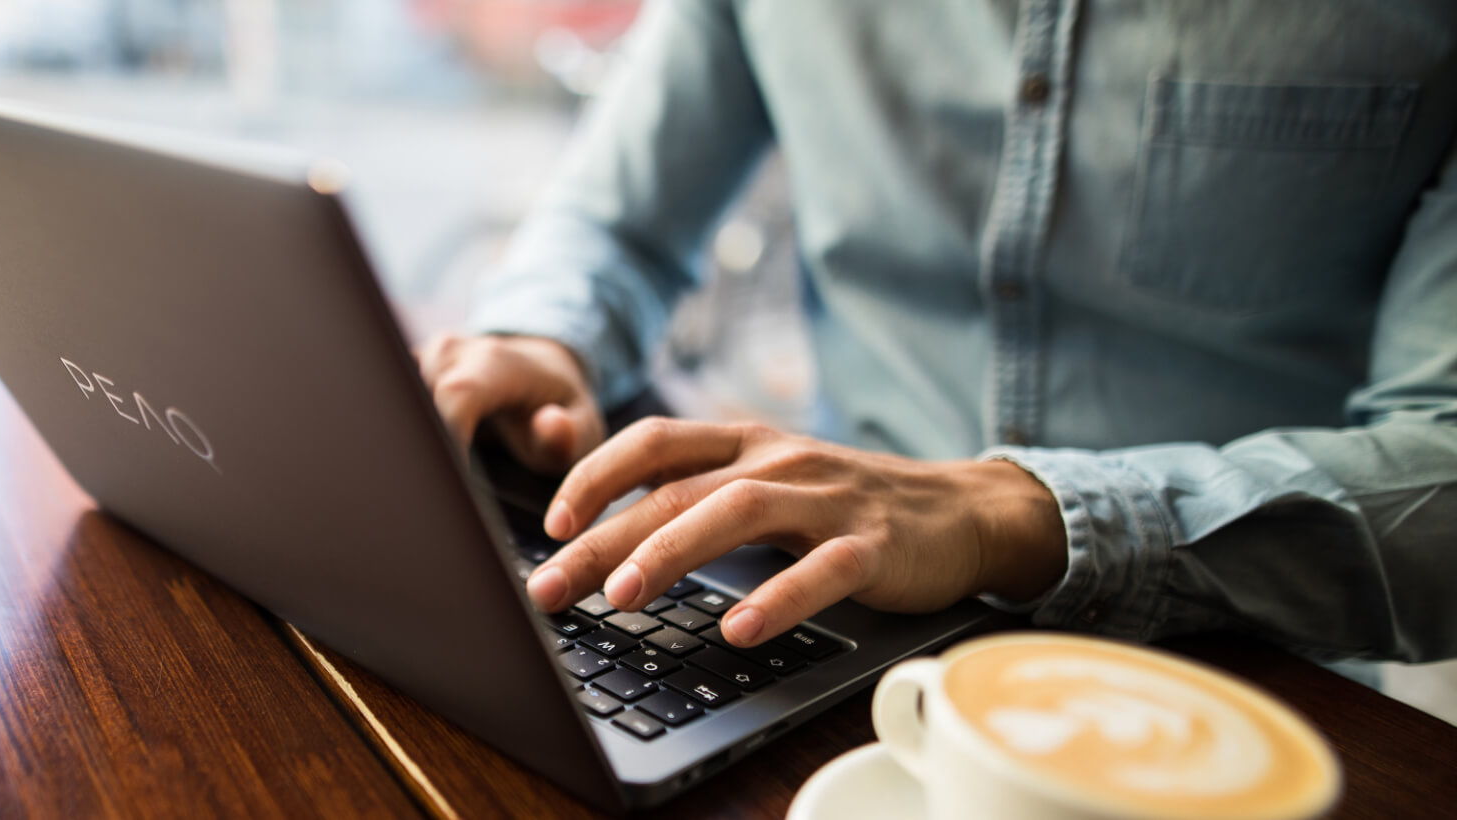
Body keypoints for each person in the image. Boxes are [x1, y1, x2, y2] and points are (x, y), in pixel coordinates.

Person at [417, 1, 1457, 664]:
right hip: (834, 635)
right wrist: (543, 336)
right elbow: (615, 219)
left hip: (1244, 667)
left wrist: (1011, 514)